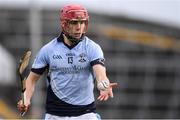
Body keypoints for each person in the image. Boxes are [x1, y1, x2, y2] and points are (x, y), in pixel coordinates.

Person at [17, 4, 118, 120]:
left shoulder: (92, 48)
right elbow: (31, 80)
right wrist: (26, 99)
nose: (79, 27)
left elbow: (101, 74)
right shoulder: (48, 50)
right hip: (55, 116)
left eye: (82, 22)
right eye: (74, 23)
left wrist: (103, 85)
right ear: (64, 24)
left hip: (86, 115)